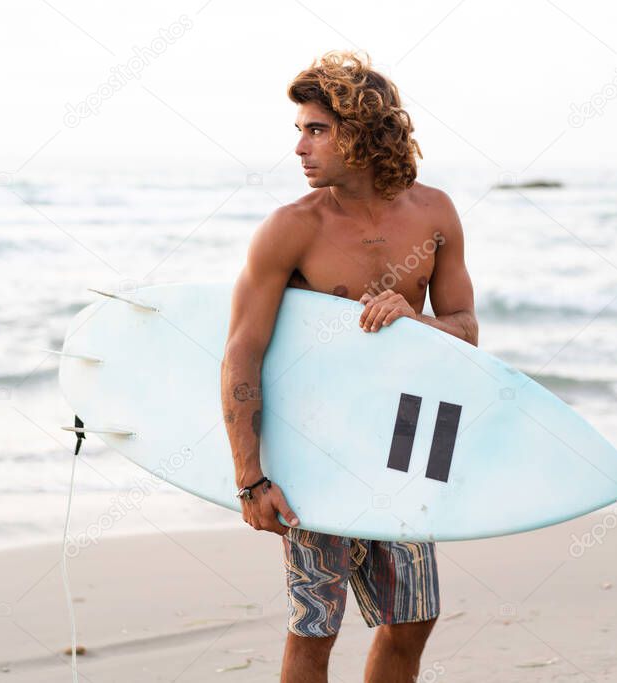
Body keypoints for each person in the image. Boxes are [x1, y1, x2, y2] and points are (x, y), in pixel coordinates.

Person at [220, 50, 478, 683]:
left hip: (410, 438)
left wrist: (413, 322)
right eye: (300, 130)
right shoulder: (290, 229)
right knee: (316, 623)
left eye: (317, 129)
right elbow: (241, 353)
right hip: (321, 442)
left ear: (360, 132)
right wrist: (250, 478)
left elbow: (466, 332)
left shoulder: (435, 214)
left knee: (413, 619)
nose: (300, 148)